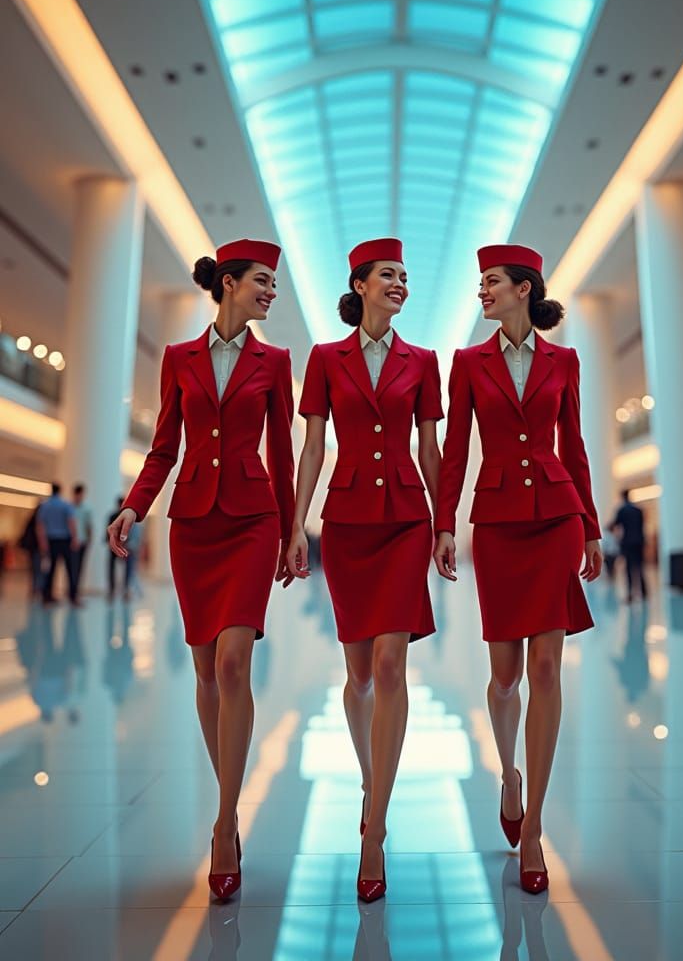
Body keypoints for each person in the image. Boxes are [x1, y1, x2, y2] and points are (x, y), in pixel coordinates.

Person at [107, 239, 295, 901]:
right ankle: (229, 804)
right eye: (263, 281)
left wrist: (292, 526)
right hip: (192, 523)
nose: (272, 291)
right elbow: (164, 446)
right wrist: (134, 508)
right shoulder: (178, 358)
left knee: (233, 662)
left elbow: (283, 450)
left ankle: (222, 823)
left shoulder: (275, 361)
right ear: (231, 283)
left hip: (250, 520)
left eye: (275, 283)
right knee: (203, 668)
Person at [433, 243, 602, 895]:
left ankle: (534, 827)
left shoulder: (565, 359)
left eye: (491, 283)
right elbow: (454, 451)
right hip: (499, 522)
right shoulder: (469, 363)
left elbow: (576, 447)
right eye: (480, 283)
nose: (482, 292)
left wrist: (588, 525)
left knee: (546, 668)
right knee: (504, 677)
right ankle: (508, 772)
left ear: (523, 289)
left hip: (556, 515)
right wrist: (445, 523)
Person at [286, 238, 443, 903]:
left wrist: (446, 524)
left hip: (407, 517)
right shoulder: (326, 359)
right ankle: (368, 775)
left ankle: (374, 829)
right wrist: (296, 523)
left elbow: (430, 447)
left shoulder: (424, 361)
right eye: (390, 275)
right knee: (355, 674)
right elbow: (314, 445)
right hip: (347, 521)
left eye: (406, 276)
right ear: (361, 283)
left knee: (389, 666)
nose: (401, 284)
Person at [36, 482, 80, 605]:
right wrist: (75, 538)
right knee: (70, 569)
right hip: (65, 540)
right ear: (60, 491)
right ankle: (73, 596)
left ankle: (47, 596)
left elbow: (40, 525)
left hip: (51, 541)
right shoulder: (65, 505)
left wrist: (42, 542)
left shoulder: (45, 506)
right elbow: (71, 522)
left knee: (50, 569)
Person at [611, 489, 647, 603]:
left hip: (627, 542)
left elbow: (614, 524)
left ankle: (631, 594)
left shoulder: (622, 510)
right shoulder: (638, 510)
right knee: (640, 566)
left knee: (628, 568)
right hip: (639, 541)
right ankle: (644, 592)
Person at [106, 496, 142, 600]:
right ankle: (112, 590)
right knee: (112, 568)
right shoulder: (112, 516)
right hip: (115, 546)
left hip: (127, 547)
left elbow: (134, 533)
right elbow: (108, 530)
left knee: (128, 569)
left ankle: (126, 590)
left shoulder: (130, 517)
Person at [70, 483, 93, 605]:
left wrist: (89, 541)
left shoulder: (87, 508)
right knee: (72, 569)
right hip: (71, 543)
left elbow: (89, 526)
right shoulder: (69, 508)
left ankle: (75, 594)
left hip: (82, 543)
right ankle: (72, 595)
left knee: (79, 570)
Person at [18, 504, 43, 598]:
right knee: (38, 568)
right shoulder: (39, 521)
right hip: (37, 547)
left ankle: (34, 588)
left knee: (34, 568)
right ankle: (36, 588)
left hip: (31, 548)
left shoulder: (31, 519)